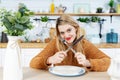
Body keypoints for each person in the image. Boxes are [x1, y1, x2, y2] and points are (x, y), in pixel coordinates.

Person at [30, 14, 110, 71]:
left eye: (69, 30)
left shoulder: (85, 44)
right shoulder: (55, 43)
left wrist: (88, 63)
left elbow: (109, 62)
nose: (66, 35)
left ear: (76, 28)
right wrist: (49, 60)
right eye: (62, 32)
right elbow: (33, 62)